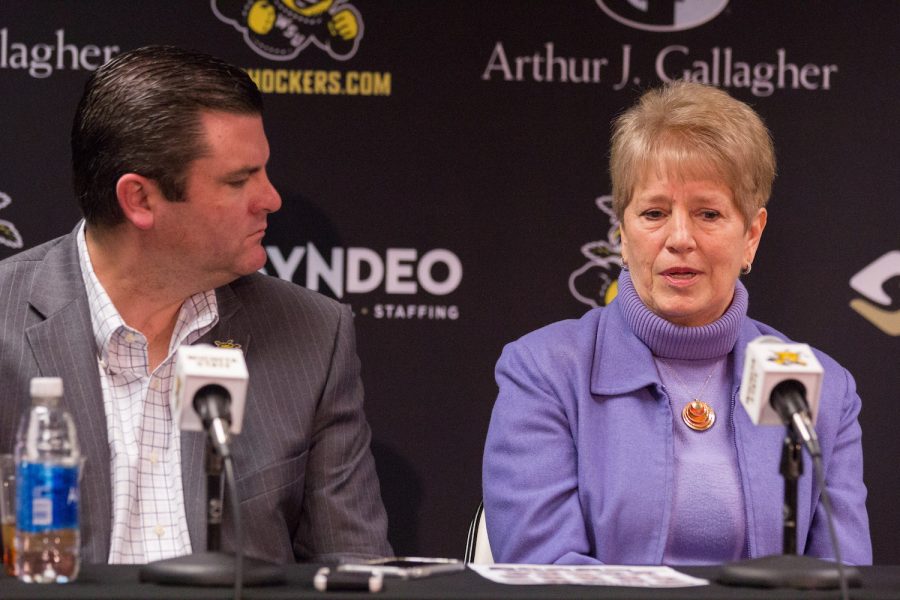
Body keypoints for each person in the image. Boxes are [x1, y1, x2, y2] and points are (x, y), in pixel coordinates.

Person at [0, 46, 391, 565]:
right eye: (238, 180)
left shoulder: (314, 334)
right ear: (139, 199)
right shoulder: (8, 317)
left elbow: (357, 570)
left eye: (263, 172)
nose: (272, 199)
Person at [482, 81, 871, 566]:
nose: (679, 238)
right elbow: (544, 569)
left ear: (751, 235)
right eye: (654, 213)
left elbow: (842, 578)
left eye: (708, 213)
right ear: (622, 234)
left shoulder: (824, 391)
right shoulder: (545, 372)